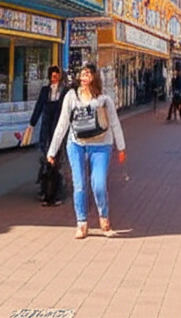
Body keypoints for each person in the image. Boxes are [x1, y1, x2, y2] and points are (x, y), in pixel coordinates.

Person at [48, 63, 126, 239]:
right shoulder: (71, 96)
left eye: (88, 75)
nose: (84, 78)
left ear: (95, 78)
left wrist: (121, 148)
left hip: (101, 145)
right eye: (82, 75)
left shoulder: (104, 99)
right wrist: (52, 150)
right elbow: (62, 124)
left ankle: (104, 216)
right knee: (80, 184)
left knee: (98, 185)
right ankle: (82, 223)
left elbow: (114, 123)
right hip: (76, 144)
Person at [26, 65, 70, 205]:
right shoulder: (45, 91)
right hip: (47, 129)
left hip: (59, 128)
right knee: (45, 159)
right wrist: (32, 124)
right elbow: (39, 106)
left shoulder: (65, 91)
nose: (54, 77)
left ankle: (56, 192)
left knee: (57, 161)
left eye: (56, 75)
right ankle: (45, 190)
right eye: (52, 75)